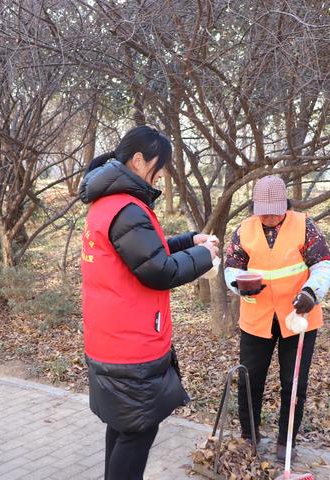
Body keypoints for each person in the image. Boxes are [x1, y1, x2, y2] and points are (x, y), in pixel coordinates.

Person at [79, 125, 218, 480]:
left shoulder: (108, 204)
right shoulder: (127, 208)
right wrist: (204, 257)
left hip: (110, 341)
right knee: (137, 432)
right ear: (139, 160)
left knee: (124, 427)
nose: (161, 174)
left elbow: (142, 251)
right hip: (131, 347)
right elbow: (158, 270)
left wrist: (189, 241)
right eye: (159, 165)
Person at [224, 175, 330, 462]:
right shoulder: (244, 230)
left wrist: (313, 291)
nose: (270, 216)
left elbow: (323, 263)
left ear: (286, 204)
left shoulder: (304, 225)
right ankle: (250, 435)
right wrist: (238, 282)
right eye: (263, 210)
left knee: (293, 382)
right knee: (251, 381)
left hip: (298, 317)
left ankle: (287, 441)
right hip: (256, 319)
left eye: (275, 209)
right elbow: (231, 267)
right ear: (254, 207)